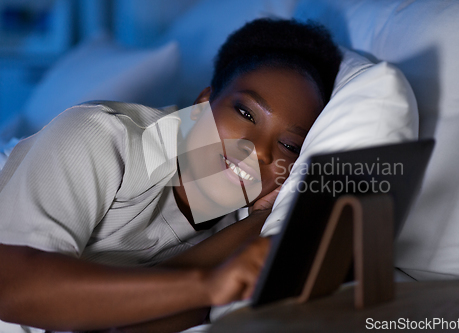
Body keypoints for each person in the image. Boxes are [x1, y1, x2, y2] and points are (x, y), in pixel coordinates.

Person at [0, 18, 341, 332]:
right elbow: (10, 284)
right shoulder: (100, 136)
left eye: (289, 145)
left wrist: (259, 222)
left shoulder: (244, 220)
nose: (261, 151)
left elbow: (130, 323)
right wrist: (205, 285)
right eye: (245, 113)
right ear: (203, 104)